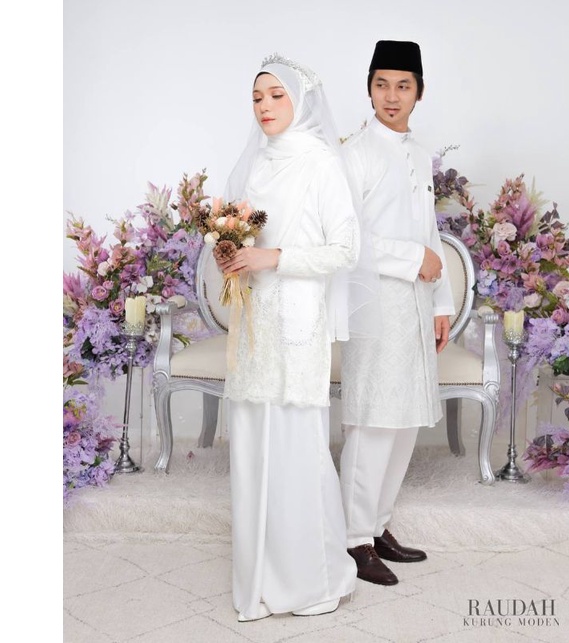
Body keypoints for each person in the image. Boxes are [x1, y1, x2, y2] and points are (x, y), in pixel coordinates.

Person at [218, 53, 363, 622]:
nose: (265, 106)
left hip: (298, 320)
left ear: (300, 101)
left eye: (277, 95)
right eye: (257, 96)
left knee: (297, 446)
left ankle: (310, 580)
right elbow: (246, 242)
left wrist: (272, 256)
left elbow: (345, 250)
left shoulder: (321, 162)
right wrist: (231, 252)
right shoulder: (257, 163)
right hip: (255, 319)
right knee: (253, 440)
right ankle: (258, 579)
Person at [339, 40, 456, 586]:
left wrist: (442, 303)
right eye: (382, 84)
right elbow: (347, 239)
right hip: (374, 302)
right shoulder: (355, 153)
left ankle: (378, 525)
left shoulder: (419, 152)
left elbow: (429, 231)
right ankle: (353, 539)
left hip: (415, 303)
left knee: (405, 418)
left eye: (403, 85)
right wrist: (413, 260)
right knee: (373, 420)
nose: (391, 95)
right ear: (369, 89)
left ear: (419, 92)